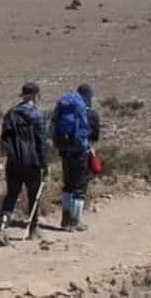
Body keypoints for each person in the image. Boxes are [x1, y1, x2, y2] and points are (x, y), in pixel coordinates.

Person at [0, 82, 48, 242]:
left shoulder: (10, 114)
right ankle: (33, 229)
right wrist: (44, 163)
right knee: (34, 195)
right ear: (35, 95)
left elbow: (3, 139)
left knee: (11, 195)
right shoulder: (37, 115)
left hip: (14, 161)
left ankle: (2, 228)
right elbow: (41, 142)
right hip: (32, 162)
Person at [52, 85, 93, 232]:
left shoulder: (65, 107)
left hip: (64, 150)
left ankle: (65, 219)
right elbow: (94, 134)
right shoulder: (88, 112)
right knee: (79, 187)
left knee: (67, 185)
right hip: (80, 152)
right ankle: (75, 221)